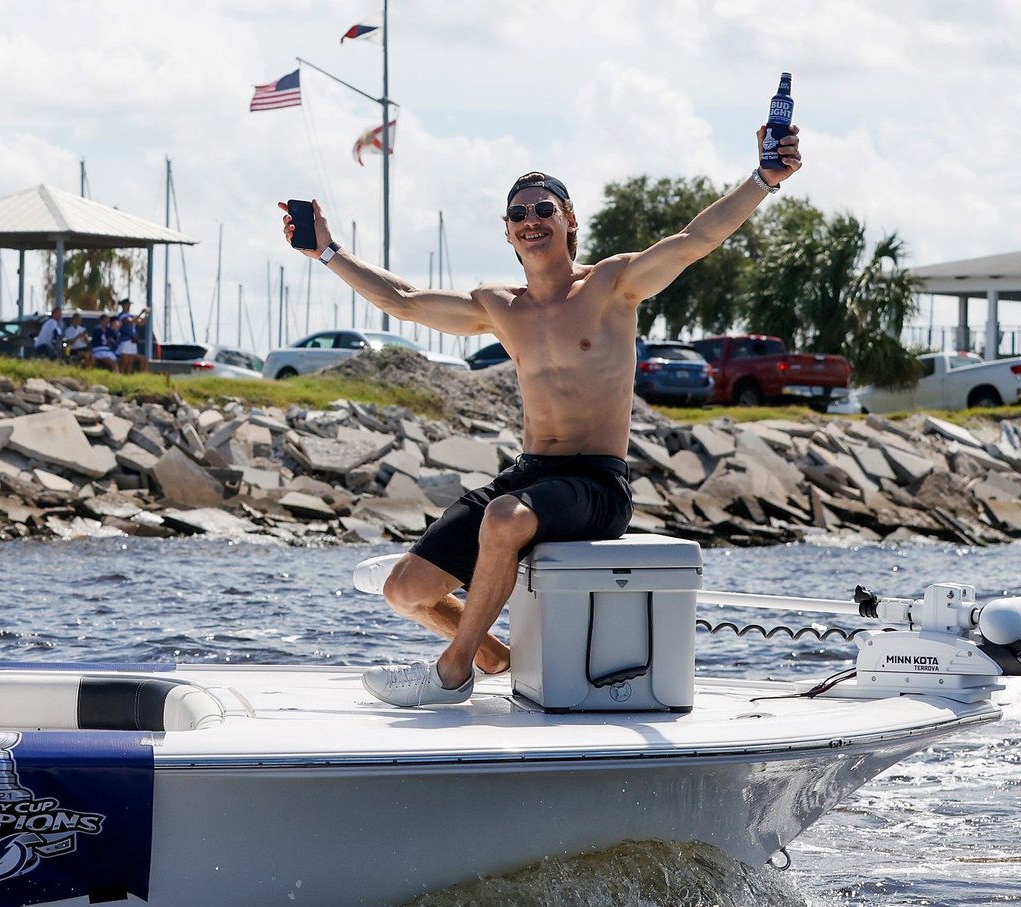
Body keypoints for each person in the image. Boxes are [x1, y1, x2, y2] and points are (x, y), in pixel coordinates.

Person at [280, 124, 802, 708]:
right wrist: (326, 251)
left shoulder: (612, 285)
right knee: (405, 591)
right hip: (529, 478)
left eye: (543, 209)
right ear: (507, 232)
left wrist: (763, 179)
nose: (531, 218)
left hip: (596, 484)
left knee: (503, 518)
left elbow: (692, 240)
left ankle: (451, 674)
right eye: (518, 212)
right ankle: (492, 655)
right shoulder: (500, 308)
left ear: (568, 218)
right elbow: (400, 301)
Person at [115, 299, 148, 374]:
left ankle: (128, 375)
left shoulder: (131, 315)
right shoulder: (122, 315)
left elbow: (141, 323)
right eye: (127, 304)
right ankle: (122, 374)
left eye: (129, 305)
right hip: (125, 340)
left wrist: (146, 314)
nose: (128, 306)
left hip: (132, 341)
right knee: (125, 361)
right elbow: (130, 321)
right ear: (123, 306)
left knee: (131, 361)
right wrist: (141, 313)